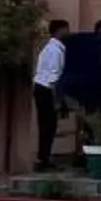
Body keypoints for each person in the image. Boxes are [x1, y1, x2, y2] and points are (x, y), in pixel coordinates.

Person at [31, 19, 69, 168]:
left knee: (46, 125)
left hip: (41, 88)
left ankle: (43, 158)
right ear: (59, 31)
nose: (68, 32)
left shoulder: (49, 48)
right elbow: (53, 77)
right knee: (49, 125)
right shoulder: (55, 50)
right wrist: (57, 100)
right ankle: (43, 159)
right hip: (47, 89)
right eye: (66, 29)